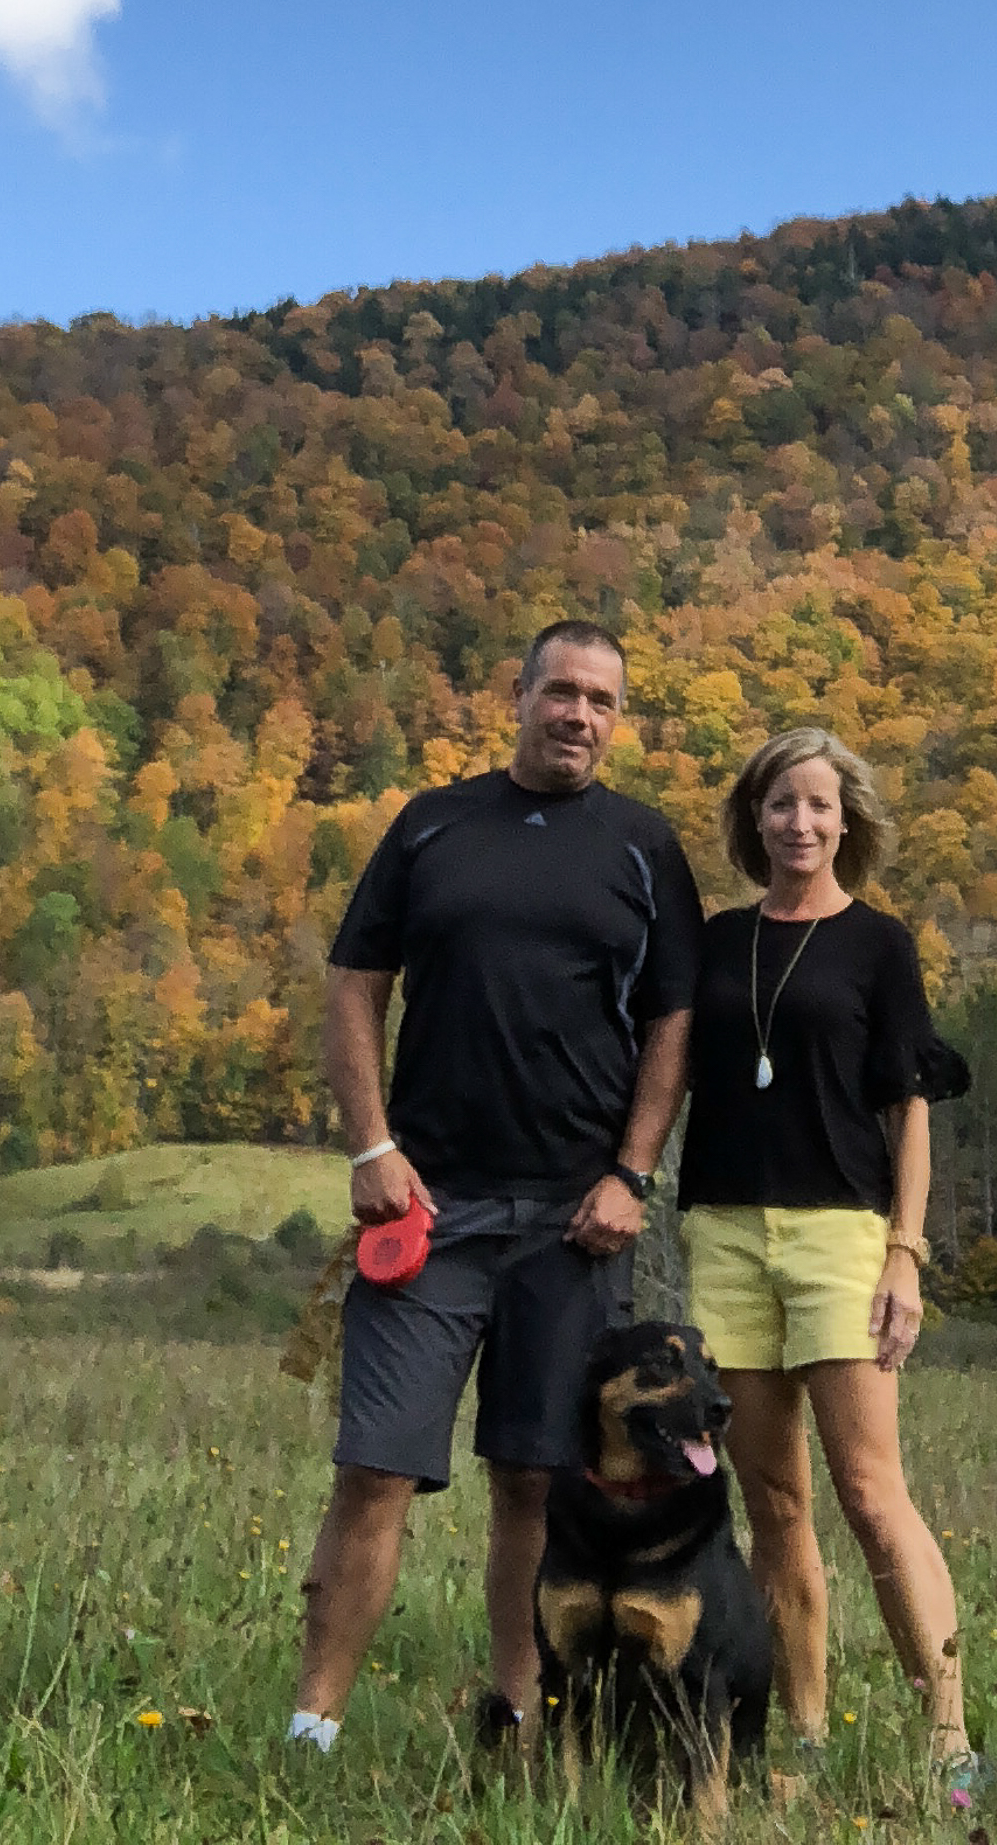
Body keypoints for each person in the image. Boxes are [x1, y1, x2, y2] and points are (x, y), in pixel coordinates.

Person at [290, 618, 703, 1757]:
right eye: (561, 692)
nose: (579, 715)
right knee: (375, 1469)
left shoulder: (643, 846)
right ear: (516, 696)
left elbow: (675, 1021)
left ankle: (521, 1721)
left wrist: (634, 1171)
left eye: (603, 702)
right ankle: (309, 1726)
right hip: (430, 1212)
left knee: (537, 1475)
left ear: (620, 720)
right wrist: (373, 1148)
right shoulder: (431, 826)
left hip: (578, 1224)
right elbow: (354, 983)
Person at [674, 726, 983, 1791]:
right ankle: (795, 1739)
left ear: (847, 821)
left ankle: (949, 1739)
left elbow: (910, 1108)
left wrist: (906, 1252)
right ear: (752, 822)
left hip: (843, 1236)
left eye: (817, 805)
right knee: (773, 1502)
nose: (798, 822)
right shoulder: (715, 941)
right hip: (721, 1236)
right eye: (778, 805)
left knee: (866, 1488)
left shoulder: (878, 945)